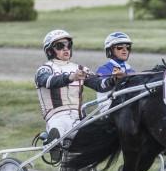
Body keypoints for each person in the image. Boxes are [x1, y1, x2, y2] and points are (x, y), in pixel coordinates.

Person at [35, 29, 114, 161]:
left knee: (106, 128)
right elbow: (48, 81)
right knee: (61, 124)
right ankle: (53, 142)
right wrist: (71, 77)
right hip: (56, 116)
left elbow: (99, 84)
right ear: (49, 51)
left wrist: (113, 80)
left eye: (68, 45)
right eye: (60, 46)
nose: (66, 49)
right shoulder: (45, 69)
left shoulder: (79, 68)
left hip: (79, 118)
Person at [96, 32, 136, 111]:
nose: (124, 50)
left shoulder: (131, 70)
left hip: (127, 108)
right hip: (108, 110)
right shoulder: (104, 69)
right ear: (110, 50)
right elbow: (103, 86)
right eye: (119, 47)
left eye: (127, 47)